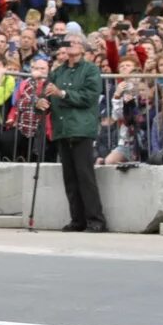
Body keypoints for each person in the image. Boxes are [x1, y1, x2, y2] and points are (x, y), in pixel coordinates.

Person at [41, 35, 106, 232]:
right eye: (67, 43)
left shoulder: (91, 70)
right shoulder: (57, 72)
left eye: (75, 42)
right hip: (62, 129)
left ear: (83, 48)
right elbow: (47, 95)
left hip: (81, 128)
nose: (70, 46)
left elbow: (89, 97)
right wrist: (42, 103)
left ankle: (96, 220)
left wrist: (62, 94)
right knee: (70, 178)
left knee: (85, 176)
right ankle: (77, 219)